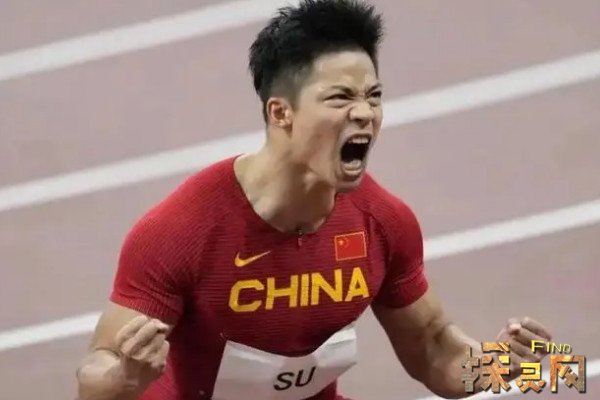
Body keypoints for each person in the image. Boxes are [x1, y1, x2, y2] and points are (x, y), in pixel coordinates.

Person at [75, 0, 553, 399]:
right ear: (281, 112)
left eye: (374, 95)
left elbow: (433, 349)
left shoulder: (382, 222)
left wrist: (501, 366)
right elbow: (95, 375)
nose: (365, 113)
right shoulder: (180, 231)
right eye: (341, 97)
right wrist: (122, 377)